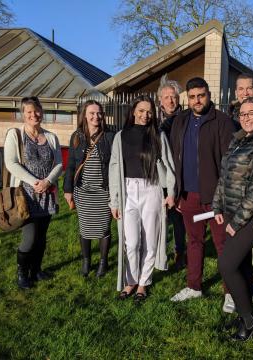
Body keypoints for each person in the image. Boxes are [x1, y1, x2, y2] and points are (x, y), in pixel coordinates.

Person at [213, 97, 253, 340]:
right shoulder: (238, 141)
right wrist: (218, 206)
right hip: (231, 211)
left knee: (226, 264)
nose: (247, 117)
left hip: (251, 216)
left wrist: (237, 222)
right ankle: (245, 316)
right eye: (242, 114)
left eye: (252, 113)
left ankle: (250, 320)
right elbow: (224, 178)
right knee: (240, 265)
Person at [169, 77, 235, 304]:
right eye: (193, 97)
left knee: (223, 245)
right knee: (194, 241)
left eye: (201, 95)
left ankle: (231, 292)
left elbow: (229, 161)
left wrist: (223, 196)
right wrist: (177, 192)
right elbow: (175, 157)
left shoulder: (223, 121)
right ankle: (194, 286)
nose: (197, 100)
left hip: (216, 196)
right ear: (187, 99)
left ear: (208, 95)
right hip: (189, 194)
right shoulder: (181, 121)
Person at [109, 95, 176, 302]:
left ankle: (143, 284)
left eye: (149, 112)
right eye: (141, 110)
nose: (145, 115)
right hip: (128, 190)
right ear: (133, 111)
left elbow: (170, 165)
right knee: (132, 241)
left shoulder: (158, 135)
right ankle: (130, 281)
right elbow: (113, 168)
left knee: (150, 241)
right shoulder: (121, 136)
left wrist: (171, 192)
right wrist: (115, 200)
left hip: (152, 190)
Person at [4, 96, 62, 289]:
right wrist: (34, 182)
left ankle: (36, 270)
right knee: (29, 238)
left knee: (42, 237)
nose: (34, 115)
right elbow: (11, 163)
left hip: (47, 194)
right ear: (23, 114)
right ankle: (22, 273)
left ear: (41, 112)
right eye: (29, 112)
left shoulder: (51, 137)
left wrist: (47, 181)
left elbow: (59, 164)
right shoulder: (15, 135)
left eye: (36, 111)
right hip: (25, 195)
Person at [63, 100, 115, 278]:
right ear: (84, 115)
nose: (96, 116)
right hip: (82, 191)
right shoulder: (77, 136)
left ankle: (103, 261)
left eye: (99, 113)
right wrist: (67, 189)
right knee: (85, 228)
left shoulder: (110, 136)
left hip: (103, 192)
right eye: (92, 113)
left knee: (103, 229)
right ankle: (86, 261)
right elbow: (70, 165)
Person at [157, 75, 186, 270]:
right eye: (166, 97)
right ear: (160, 100)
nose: (170, 100)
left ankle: (180, 252)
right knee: (159, 218)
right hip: (159, 177)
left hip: (180, 175)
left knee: (178, 218)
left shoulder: (185, 119)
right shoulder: (154, 121)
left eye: (173, 96)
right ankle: (159, 253)